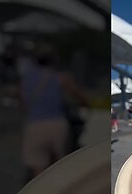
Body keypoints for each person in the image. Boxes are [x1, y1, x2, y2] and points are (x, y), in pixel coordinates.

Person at [19, 44, 89, 178]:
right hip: (58, 124)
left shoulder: (25, 79)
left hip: (34, 125)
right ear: (54, 59)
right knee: (60, 167)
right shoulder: (61, 78)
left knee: (38, 171)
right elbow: (83, 99)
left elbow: (23, 104)